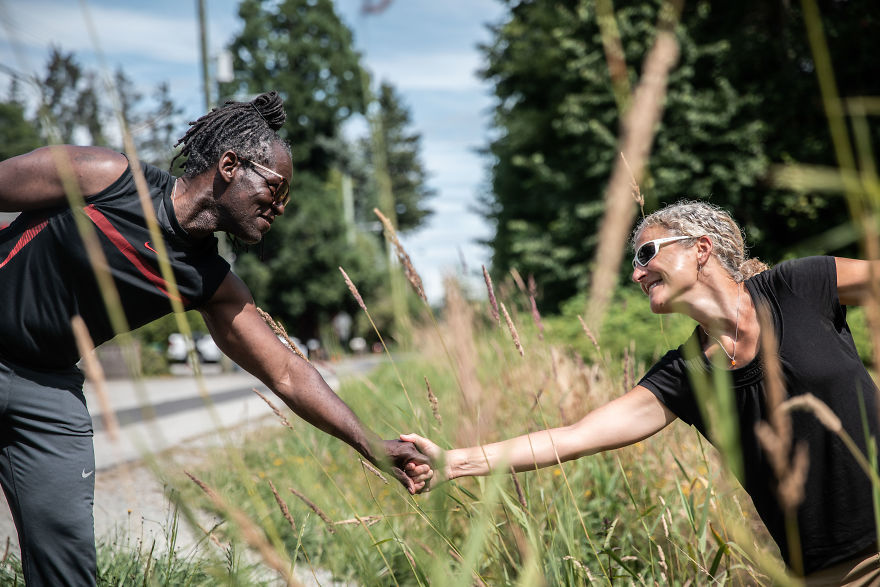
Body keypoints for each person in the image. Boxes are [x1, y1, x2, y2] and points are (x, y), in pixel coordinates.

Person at [0, 91, 430, 586]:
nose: (281, 208)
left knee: (69, 571)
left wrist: (370, 443)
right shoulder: (104, 177)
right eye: (277, 189)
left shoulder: (209, 282)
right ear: (229, 165)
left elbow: (288, 372)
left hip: (50, 391)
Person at [402, 201, 880, 584]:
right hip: (829, 575)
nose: (636, 273)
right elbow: (573, 436)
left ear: (701, 248)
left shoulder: (798, 287)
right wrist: (456, 462)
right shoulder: (685, 374)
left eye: (647, 254)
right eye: (633, 262)